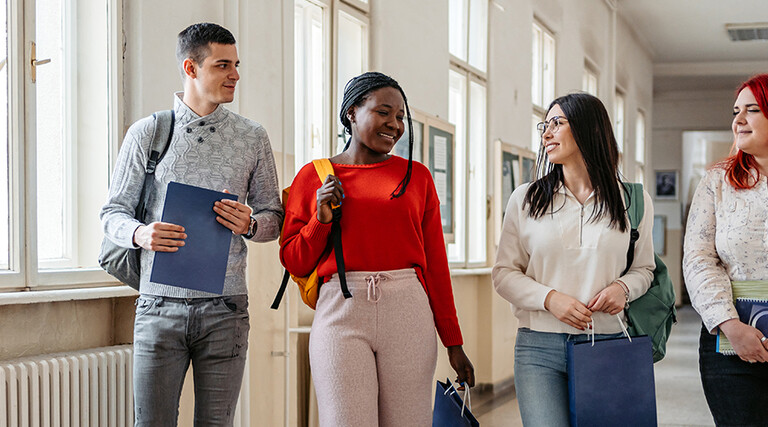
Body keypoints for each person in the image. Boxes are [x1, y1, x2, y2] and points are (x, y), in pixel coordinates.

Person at [100, 23, 283, 426]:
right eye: (223, 65)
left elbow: (275, 219)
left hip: (226, 311)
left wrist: (251, 224)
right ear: (191, 67)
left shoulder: (252, 138)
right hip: (158, 309)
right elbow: (111, 214)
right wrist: (140, 233)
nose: (235, 74)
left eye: (236, 65)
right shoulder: (148, 133)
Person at [279, 71, 475, 426]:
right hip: (340, 310)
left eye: (400, 116)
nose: (395, 124)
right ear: (352, 112)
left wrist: (453, 341)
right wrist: (321, 219)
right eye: (383, 112)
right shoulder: (314, 177)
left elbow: (435, 265)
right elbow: (293, 258)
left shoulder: (417, 177)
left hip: (408, 312)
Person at [492, 93, 655, 426]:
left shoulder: (632, 200)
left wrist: (623, 288)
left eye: (557, 123)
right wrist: (549, 299)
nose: (546, 133)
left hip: (607, 342)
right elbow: (504, 273)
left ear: (588, 129)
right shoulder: (526, 198)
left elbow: (644, 268)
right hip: (538, 348)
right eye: (545, 125)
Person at [683, 73, 768, 426]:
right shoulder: (717, 181)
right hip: (730, 344)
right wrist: (731, 325)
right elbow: (699, 258)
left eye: (752, 109)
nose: (738, 120)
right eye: (736, 111)